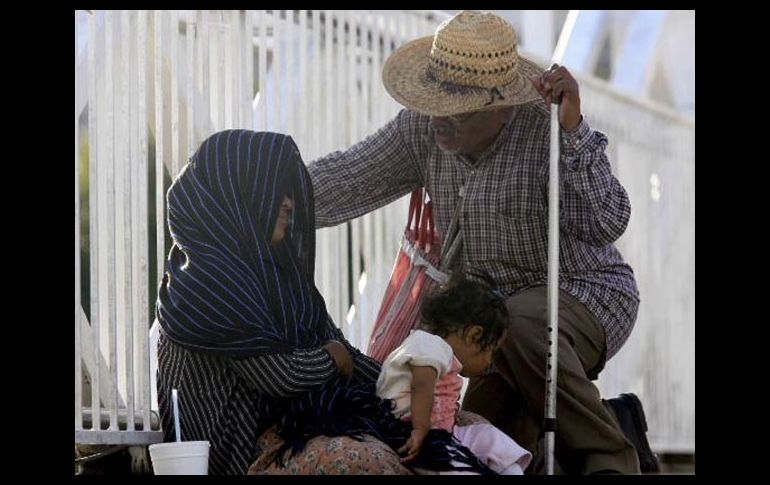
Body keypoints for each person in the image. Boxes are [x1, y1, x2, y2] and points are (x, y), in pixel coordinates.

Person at [308, 10, 657, 474]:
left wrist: (574, 132)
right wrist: (270, 191)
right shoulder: (423, 128)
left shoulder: (546, 127)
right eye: (433, 104)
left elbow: (608, 221)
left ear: (503, 106)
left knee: (519, 324)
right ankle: (614, 423)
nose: (440, 121)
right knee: (480, 444)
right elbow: (348, 177)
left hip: (583, 294)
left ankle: (611, 459)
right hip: (484, 323)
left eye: (459, 111)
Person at [155, 129, 490, 475]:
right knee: (369, 462)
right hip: (245, 454)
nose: (289, 202)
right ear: (237, 195)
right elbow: (281, 376)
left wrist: (409, 383)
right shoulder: (207, 283)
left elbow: (350, 359)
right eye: (275, 190)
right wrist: (333, 358)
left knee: (464, 430)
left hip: (297, 428)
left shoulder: (280, 278)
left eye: (289, 191)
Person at [376, 272, 532, 475]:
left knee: (489, 437)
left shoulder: (439, 352)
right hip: (410, 433)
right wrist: (420, 429)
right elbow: (422, 385)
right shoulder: (429, 344)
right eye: (490, 350)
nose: (489, 361)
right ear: (473, 335)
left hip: (443, 434)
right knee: (459, 467)